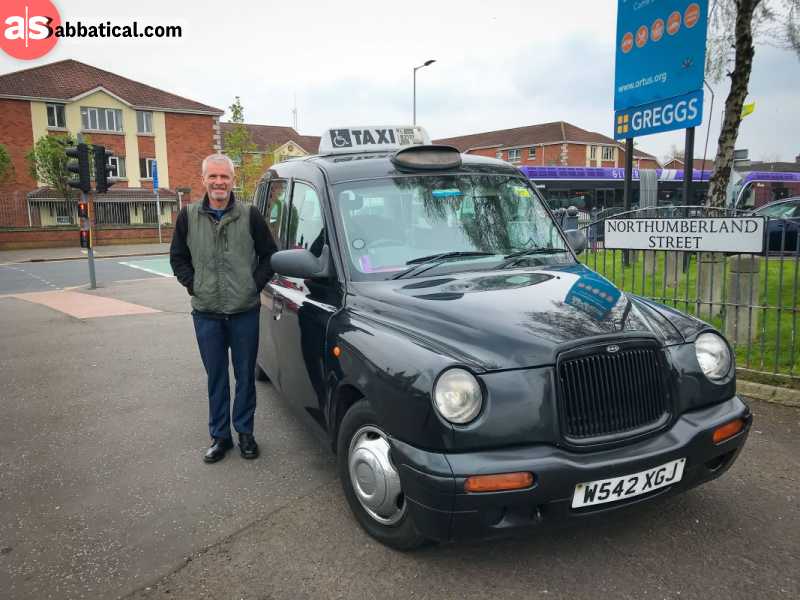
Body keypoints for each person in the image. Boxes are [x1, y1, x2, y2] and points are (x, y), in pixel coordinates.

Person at [170, 154, 277, 463]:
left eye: (225, 177)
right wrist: (194, 285)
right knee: (216, 377)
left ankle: (245, 433)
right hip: (207, 314)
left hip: (243, 312)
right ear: (203, 179)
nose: (219, 182)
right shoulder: (188, 216)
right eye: (213, 177)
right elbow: (178, 257)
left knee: (245, 376)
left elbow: (269, 255)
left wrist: (252, 286)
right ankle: (220, 437)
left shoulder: (250, 215)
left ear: (233, 180)